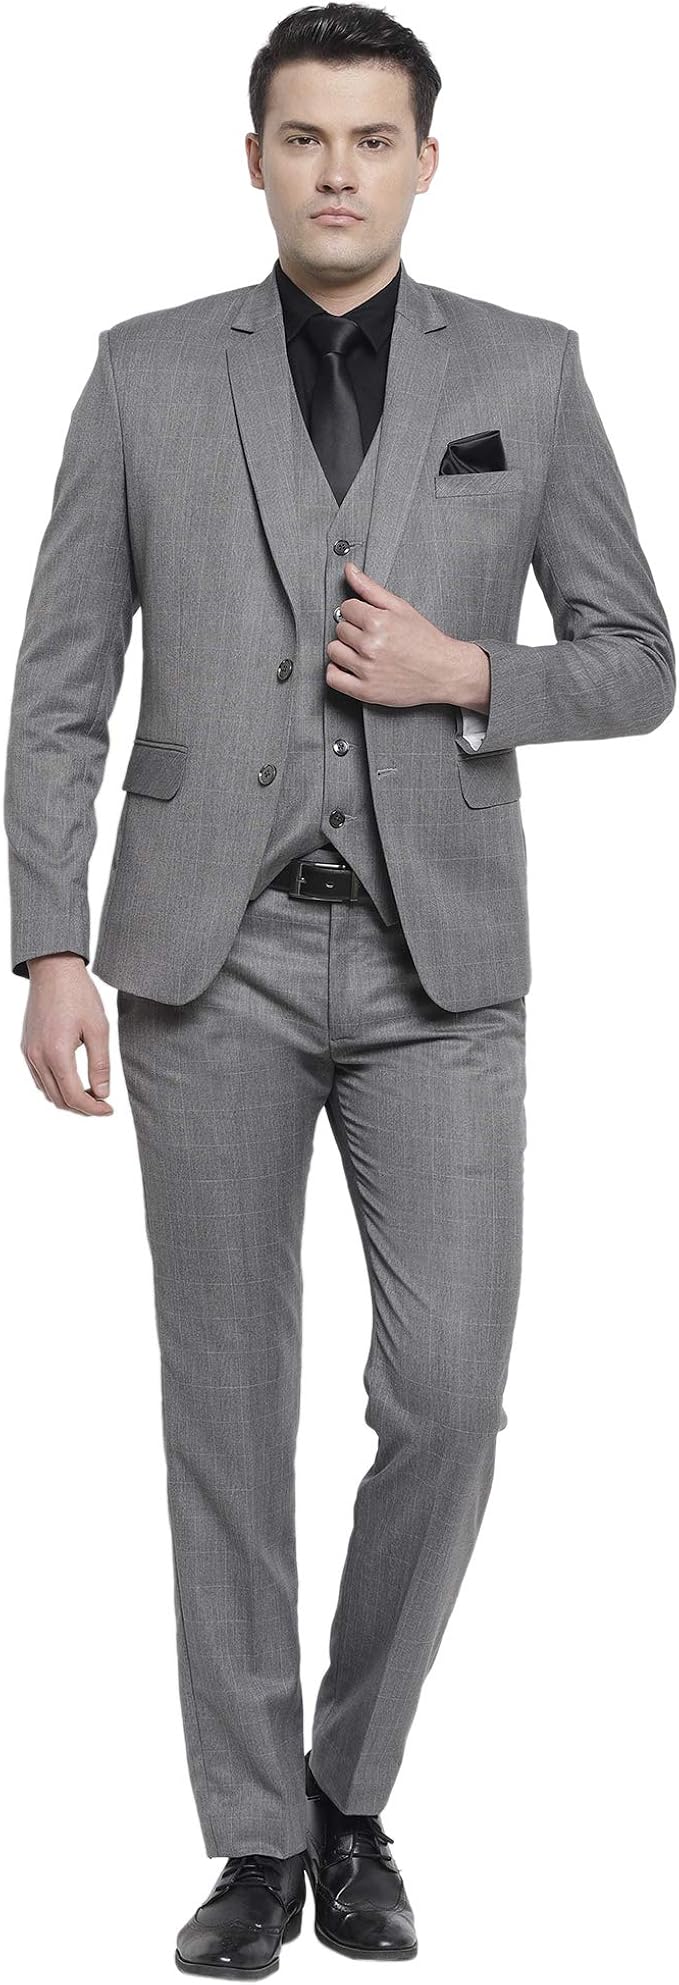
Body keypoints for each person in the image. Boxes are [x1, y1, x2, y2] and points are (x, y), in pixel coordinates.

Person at [5, 4, 675, 1975]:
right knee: (222, 1413)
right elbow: (59, 687)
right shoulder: (143, 371)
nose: (335, 171)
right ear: (254, 156)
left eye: (373, 140)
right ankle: (250, 1844)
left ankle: (344, 1789)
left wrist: (474, 675)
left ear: (424, 163)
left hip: (434, 963)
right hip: (198, 962)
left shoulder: (527, 372)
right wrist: (52, 942)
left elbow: (638, 657)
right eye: (302, 137)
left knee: (449, 1399)